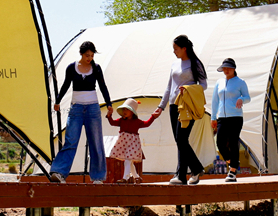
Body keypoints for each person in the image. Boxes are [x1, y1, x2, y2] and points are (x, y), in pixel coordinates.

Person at [49, 41, 112, 184]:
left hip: (92, 108)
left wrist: (109, 103)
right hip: (76, 108)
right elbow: (66, 84)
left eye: (92, 55)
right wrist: (58, 101)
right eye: (87, 55)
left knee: (96, 142)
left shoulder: (96, 68)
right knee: (71, 140)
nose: (89, 58)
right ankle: (59, 172)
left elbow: (102, 86)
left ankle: (98, 177)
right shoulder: (72, 68)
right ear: (81, 54)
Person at [157, 34, 208, 185]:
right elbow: (169, 87)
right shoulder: (174, 64)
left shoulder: (195, 63)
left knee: (181, 139)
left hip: (187, 105)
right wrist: (161, 106)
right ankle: (189, 173)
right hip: (174, 105)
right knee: (180, 141)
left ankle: (185, 173)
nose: (174, 51)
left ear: (184, 48)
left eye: (176, 49)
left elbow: (203, 85)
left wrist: (188, 89)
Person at [211, 57, 250, 183]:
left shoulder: (240, 82)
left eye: (229, 68)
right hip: (222, 117)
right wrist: (213, 117)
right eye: (224, 68)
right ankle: (232, 161)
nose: (226, 70)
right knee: (220, 143)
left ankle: (232, 171)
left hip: (236, 117)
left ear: (234, 69)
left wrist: (241, 99)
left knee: (233, 142)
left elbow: (247, 97)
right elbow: (215, 101)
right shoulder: (219, 82)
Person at [106, 98, 162, 183]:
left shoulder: (137, 122)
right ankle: (136, 177)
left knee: (128, 160)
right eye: (124, 109)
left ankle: (125, 178)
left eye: (127, 109)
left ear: (132, 112)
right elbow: (112, 123)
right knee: (129, 160)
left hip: (132, 144)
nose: (124, 111)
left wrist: (153, 117)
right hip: (123, 143)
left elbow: (146, 124)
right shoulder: (121, 120)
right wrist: (109, 116)